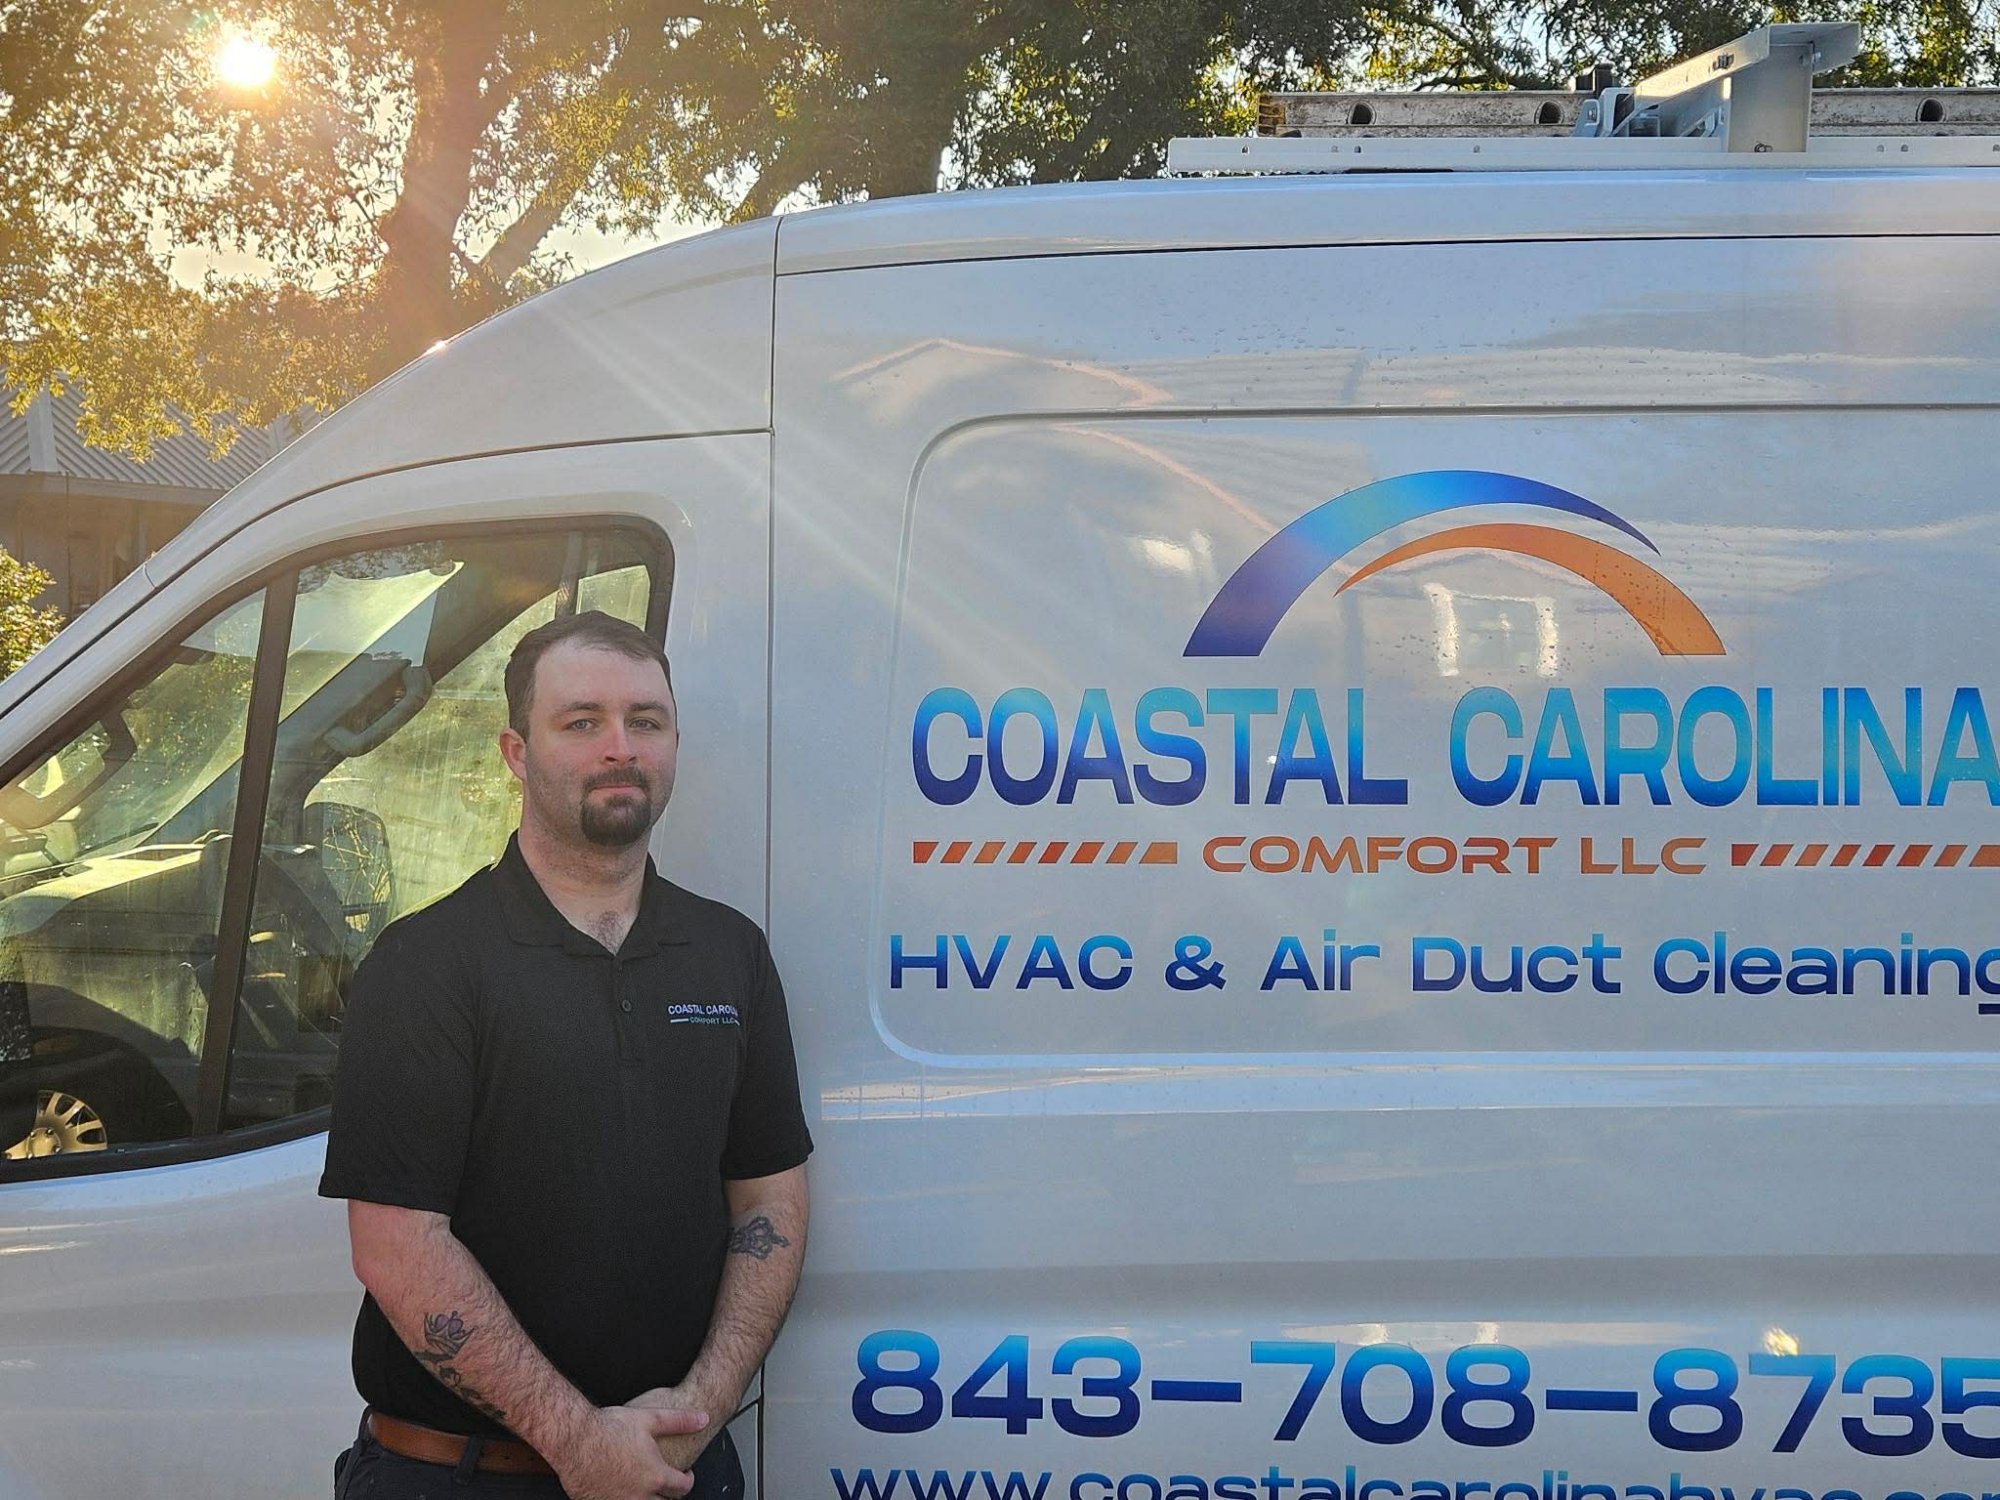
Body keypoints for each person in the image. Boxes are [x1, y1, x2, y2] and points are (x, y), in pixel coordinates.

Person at [319, 609, 812, 1500]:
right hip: (461, 1478)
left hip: (685, 1468)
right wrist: (579, 1444)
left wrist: (698, 1412)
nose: (620, 747)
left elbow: (768, 1197)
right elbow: (396, 1244)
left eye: (646, 721)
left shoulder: (729, 952)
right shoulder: (428, 964)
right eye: (581, 722)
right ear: (516, 752)